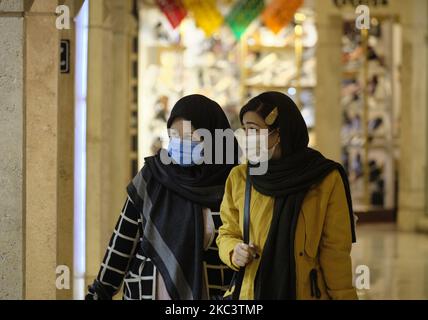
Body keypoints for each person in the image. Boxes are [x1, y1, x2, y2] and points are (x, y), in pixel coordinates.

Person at [86, 94, 240, 300]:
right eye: (174, 136)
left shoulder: (231, 185)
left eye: (190, 136)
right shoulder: (152, 177)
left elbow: (236, 257)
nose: (179, 144)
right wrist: (99, 294)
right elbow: (122, 243)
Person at [217, 91, 358, 300]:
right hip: (252, 294)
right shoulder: (240, 177)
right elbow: (227, 232)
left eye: (254, 130)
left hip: (306, 292)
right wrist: (233, 251)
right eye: (244, 130)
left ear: (279, 132)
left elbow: (335, 251)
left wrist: (344, 296)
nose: (247, 138)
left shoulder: (325, 178)